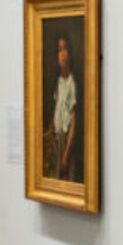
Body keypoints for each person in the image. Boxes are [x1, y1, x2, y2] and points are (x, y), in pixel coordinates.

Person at [50, 34, 81, 182]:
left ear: (70, 53)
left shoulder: (71, 83)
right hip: (56, 140)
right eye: (59, 50)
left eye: (64, 49)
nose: (62, 54)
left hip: (66, 143)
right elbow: (57, 109)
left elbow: (73, 123)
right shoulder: (58, 82)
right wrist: (52, 124)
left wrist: (66, 154)